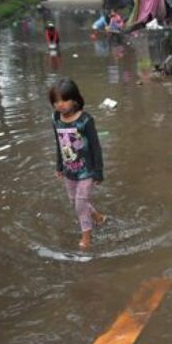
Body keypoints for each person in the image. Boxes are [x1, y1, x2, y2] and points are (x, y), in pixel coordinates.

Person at [49, 78, 106, 250]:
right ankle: (97, 216)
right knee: (73, 200)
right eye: (56, 101)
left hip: (86, 170)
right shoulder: (56, 119)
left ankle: (86, 236)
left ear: (74, 99)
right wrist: (59, 166)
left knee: (80, 203)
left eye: (65, 100)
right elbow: (59, 143)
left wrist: (98, 171)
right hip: (69, 170)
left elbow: (96, 147)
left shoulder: (85, 120)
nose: (61, 104)